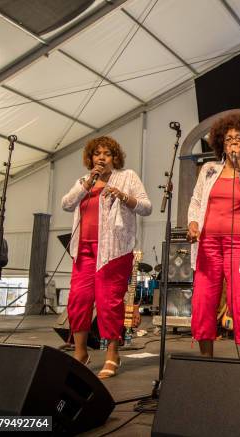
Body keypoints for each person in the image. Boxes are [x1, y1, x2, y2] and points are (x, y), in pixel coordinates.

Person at [61, 136, 151, 378]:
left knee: (108, 303)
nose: (101, 157)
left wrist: (123, 196)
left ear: (115, 158)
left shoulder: (127, 176)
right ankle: (81, 352)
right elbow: (66, 204)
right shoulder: (84, 181)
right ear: (91, 158)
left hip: (113, 251)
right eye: (97, 153)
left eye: (107, 153)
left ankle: (113, 355)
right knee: (78, 300)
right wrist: (87, 183)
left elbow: (146, 207)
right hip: (84, 251)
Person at [188, 112, 240, 360]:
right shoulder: (209, 169)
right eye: (228, 138)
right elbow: (196, 201)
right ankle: (206, 362)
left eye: (239, 138)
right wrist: (192, 222)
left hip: (239, 246)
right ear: (220, 142)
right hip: (207, 244)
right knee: (202, 303)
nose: (233, 142)